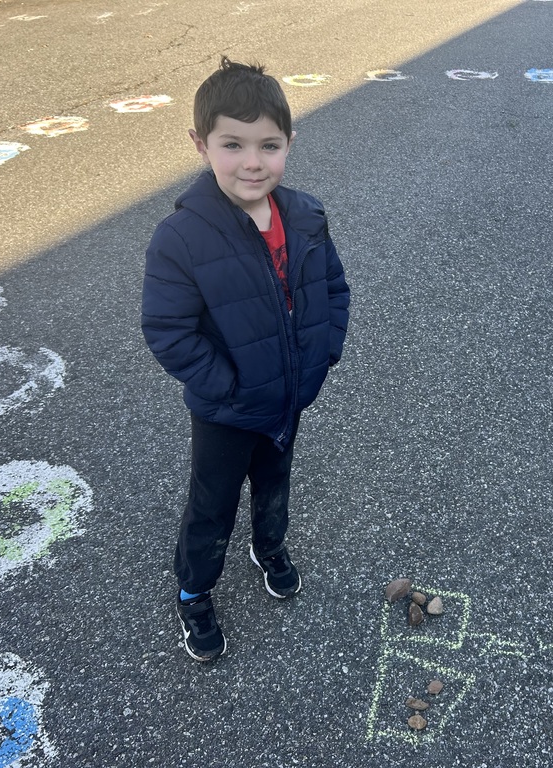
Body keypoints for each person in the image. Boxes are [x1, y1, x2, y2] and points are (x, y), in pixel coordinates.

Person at [141, 57, 351, 662]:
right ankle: (194, 589)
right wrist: (229, 387)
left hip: (288, 396)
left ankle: (270, 547)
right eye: (232, 144)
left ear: (289, 144)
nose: (252, 162)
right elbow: (168, 329)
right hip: (227, 409)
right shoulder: (182, 237)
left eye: (269, 145)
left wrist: (324, 350)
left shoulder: (305, 215)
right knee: (212, 501)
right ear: (201, 144)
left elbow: (333, 288)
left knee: (275, 483)